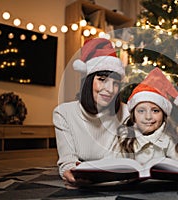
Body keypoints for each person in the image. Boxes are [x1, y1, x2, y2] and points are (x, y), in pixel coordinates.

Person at [53, 38, 129, 187]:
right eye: (102, 80)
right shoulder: (63, 113)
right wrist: (69, 170)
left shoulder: (125, 112)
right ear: (87, 81)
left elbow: (121, 158)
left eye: (115, 83)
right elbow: (67, 159)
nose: (109, 89)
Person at [114, 67, 178, 165]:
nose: (148, 117)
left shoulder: (170, 139)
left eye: (155, 111)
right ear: (133, 115)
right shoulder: (125, 138)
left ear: (163, 115)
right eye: (141, 111)